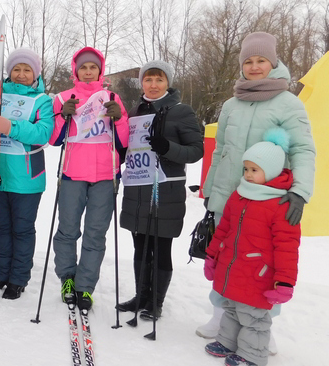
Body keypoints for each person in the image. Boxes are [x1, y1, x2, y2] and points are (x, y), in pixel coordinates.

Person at [198, 32, 315, 339]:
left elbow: (302, 149)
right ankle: (220, 316)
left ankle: (262, 325)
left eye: (261, 60)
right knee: (225, 256)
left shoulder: (288, 103)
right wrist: (210, 189)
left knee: (260, 264)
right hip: (229, 195)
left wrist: (299, 192)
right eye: (248, 61)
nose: (254, 66)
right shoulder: (231, 104)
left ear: (272, 62)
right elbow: (221, 150)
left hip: (267, 202)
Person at [203, 129, 299, 366]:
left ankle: (254, 355)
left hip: (259, 274)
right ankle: (227, 341)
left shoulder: (281, 204)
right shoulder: (240, 194)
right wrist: (212, 256)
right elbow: (224, 228)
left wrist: (285, 282)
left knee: (254, 317)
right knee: (232, 308)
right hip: (233, 268)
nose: (248, 174)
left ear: (272, 171)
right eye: (246, 169)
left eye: (254, 170)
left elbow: (287, 248)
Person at [118, 60, 203, 319]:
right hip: (136, 188)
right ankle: (140, 295)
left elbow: (196, 150)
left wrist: (166, 147)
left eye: (159, 80)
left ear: (168, 83)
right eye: (148, 79)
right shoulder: (132, 113)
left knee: (160, 247)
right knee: (140, 245)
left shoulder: (181, 111)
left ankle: (156, 302)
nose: (153, 85)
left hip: (164, 189)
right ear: (141, 82)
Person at [49, 47, 128, 310]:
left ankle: (85, 285)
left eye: (93, 67)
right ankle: (67, 278)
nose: (88, 71)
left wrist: (118, 120)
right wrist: (63, 116)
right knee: (68, 230)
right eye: (83, 67)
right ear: (75, 70)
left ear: (100, 70)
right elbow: (54, 139)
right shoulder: (62, 97)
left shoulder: (112, 96)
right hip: (73, 173)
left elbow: (124, 141)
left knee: (96, 233)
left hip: (106, 176)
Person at [0, 47, 54, 300]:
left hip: (27, 178)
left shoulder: (42, 100)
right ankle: (1, 273)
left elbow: (43, 134)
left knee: (22, 229)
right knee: (0, 228)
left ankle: (18, 278)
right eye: (16, 69)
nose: (20, 74)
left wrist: (10, 126)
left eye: (26, 70)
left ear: (35, 73)